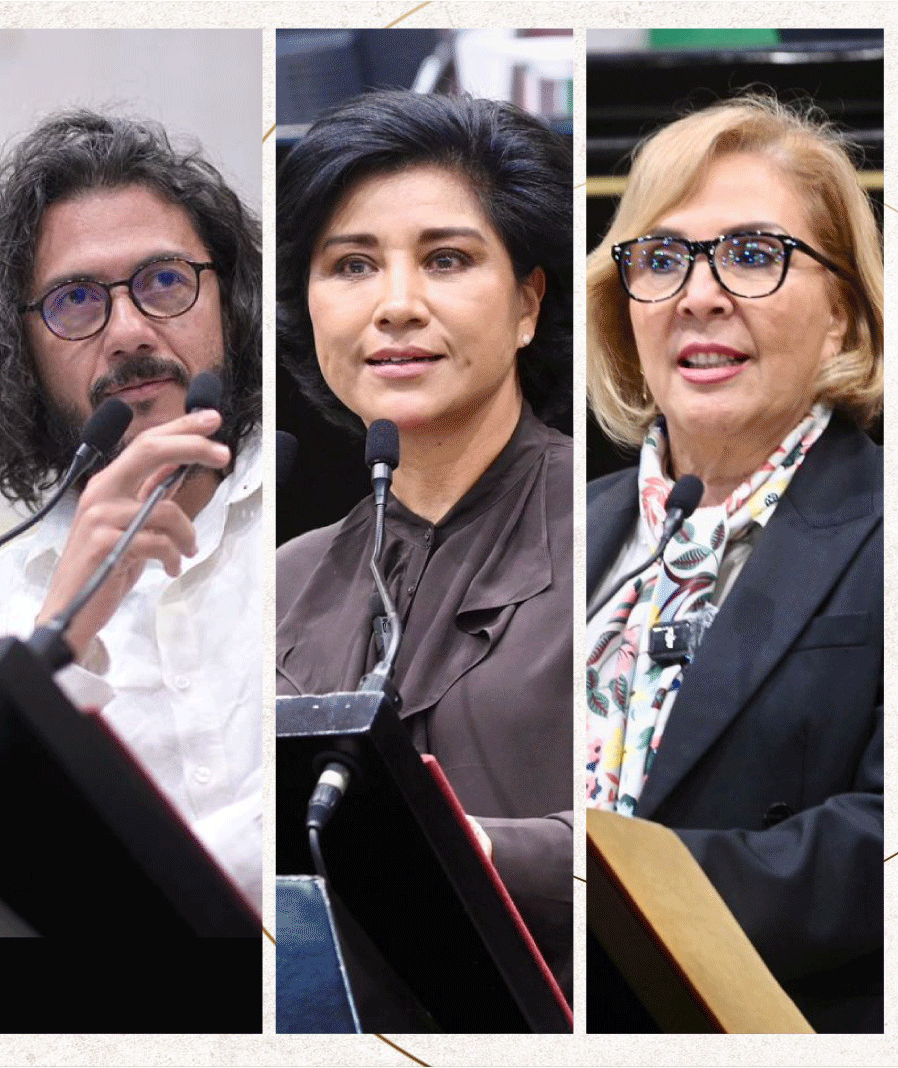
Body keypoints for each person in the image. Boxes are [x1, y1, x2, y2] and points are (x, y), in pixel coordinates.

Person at [584, 96, 884, 1033]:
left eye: (753, 255)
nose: (698, 296)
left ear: (841, 315)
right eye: (661, 258)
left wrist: (601, 894)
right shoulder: (562, 526)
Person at [274, 89, 575, 993]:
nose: (396, 305)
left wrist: (471, 849)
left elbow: (689, 839)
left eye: (446, 259)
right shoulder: (281, 582)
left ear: (527, 303)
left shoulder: (623, 529)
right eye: (352, 265)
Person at [0, 111, 264, 911]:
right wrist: (55, 644)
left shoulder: (339, 518)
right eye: (75, 300)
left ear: (229, 301)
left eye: (164, 281)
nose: (129, 333)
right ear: (20, 351)